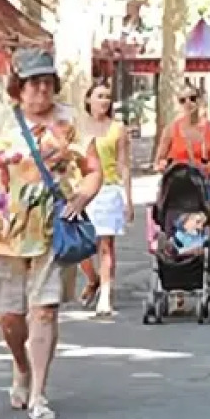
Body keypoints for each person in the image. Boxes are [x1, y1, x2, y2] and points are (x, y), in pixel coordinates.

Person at [0, 48, 103, 419]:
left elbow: (93, 170)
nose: (41, 90)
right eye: (32, 83)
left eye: (46, 82)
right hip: (6, 233)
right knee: (10, 317)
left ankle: (39, 393)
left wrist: (81, 196)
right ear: (18, 87)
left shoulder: (72, 122)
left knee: (45, 309)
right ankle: (21, 365)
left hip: (52, 229)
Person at [76, 80, 132, 318]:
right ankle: (92, 278)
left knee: (105, 245)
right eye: (99, 96)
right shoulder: (77, 127)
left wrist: (129, 198)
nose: (104, 101)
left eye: (107, 97)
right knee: (78, 245)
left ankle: (106, 294)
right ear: (88, 100)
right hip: (82, 190)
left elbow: (123, 164)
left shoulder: (117, 128)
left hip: (109, 189)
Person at [154, 84, 210, 179]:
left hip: (202, 185)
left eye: (192, 98)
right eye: (182, 100)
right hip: (176, 184)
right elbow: (158, 162)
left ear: (200, 100)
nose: (188, 103)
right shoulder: (170, 129)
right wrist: (163, 165)